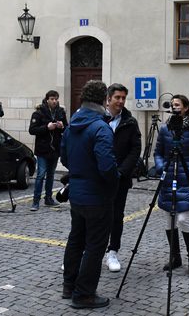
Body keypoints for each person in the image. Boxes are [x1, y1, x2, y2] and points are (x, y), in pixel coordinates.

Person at [59, 80, 118, 309]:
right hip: (97, 195)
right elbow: (106, 166)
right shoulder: (100, 127)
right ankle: (84, 294)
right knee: (95, 245)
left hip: (78, 193)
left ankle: (69, 285)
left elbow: (64, 158)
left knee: (76, 239)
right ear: (104, 99)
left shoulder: (73, 124)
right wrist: (114, 181)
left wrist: (80, 170)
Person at [153, 94, 189, 276]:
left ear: (186, 107)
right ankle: (175, 257)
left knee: (184, 219)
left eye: (177, 104)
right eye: (172, 105)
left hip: (188, 180)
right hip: (168, 179)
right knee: (170, 219)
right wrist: (162, 166)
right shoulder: (165, 129)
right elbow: (157, 153)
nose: (174, 107)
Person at [104, 83, 142, 272]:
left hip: (120, 178)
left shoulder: (130, 121)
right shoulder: (98, 118)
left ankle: (113, 251)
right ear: (108, 98)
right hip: (98, 178)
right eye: (117, 97)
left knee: (116, 216)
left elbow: (135, 150)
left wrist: (121, 172)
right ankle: (86, 250)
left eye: (123, 98)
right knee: (93, 215)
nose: (120, 101)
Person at [28, 90, 67, 211]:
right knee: (40, 175)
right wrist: (47, 127)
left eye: (56, 99)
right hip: (42, 149)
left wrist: (62, 126)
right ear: (47, 100)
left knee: (50, 175)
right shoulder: (38, 113)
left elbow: (67, 127)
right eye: (52, 99)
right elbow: (32, 130)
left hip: (55, 149)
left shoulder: (60, 112)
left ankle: (48, 199)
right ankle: (36, 201)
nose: (54, 101)